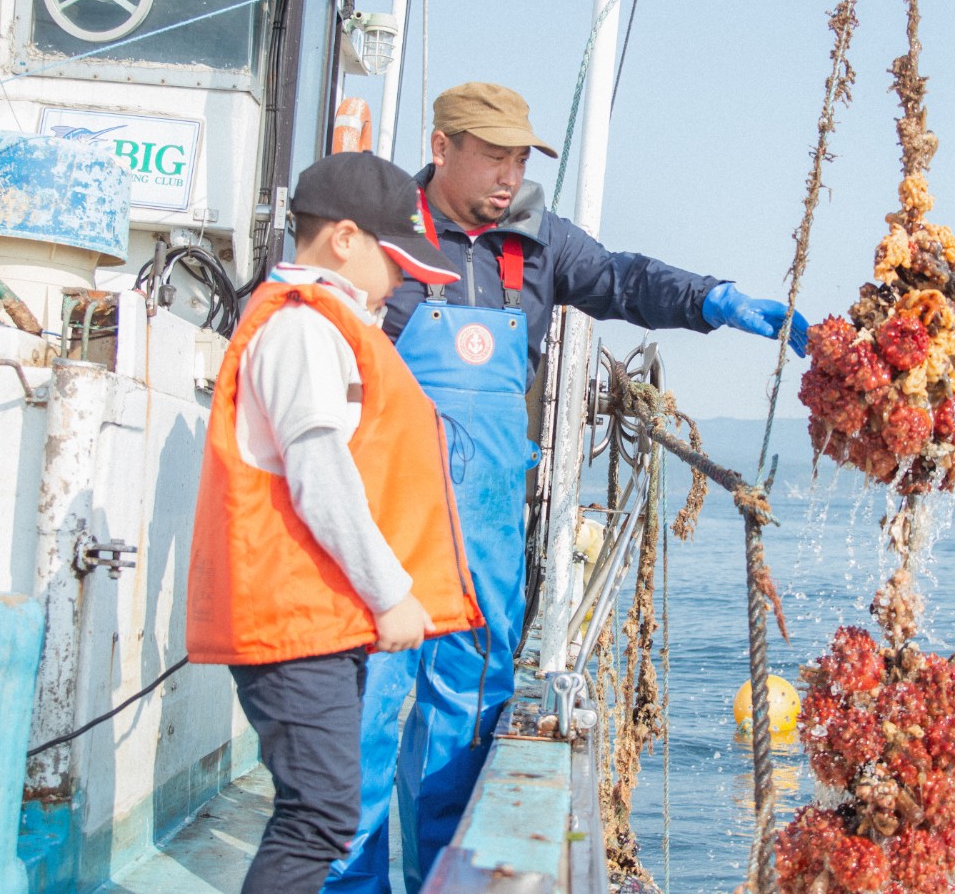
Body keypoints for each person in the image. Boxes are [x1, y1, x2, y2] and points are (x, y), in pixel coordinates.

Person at [324, 83, 808, 894]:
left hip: (481, 542)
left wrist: (716, 301)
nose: (510, 174)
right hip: (380, 534)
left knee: (461, 739)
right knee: (363, 735)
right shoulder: (380, 235)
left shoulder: (539, 244)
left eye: (520, 156)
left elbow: (624, 279)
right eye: (493, 154)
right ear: (441, 147)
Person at [186, 152, 484, 894]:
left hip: (317, 620)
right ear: (344, 240)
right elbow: (320, 474)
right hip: (293, 624)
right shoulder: (301, 329)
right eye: (397, 259)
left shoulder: (337, 327)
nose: (407, 278)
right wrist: (390, 594)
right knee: (319, 813)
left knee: (322, 805)